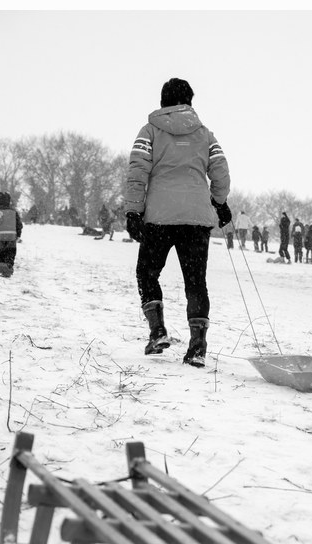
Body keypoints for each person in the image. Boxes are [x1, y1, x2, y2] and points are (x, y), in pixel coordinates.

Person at [125, 77, 231, 368]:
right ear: (189, 102)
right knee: (196, 283)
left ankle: (157, 331)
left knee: (147, 273)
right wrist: (219, 202)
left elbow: (137, 171)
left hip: (159, 219)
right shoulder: (205, 135)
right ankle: (197, 346)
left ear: (162, 102)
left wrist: (133, 211)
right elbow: (220, 172)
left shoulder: (149, 132)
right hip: (196, 220)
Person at [0, 191, 23, 269]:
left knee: (1, 252)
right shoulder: (14, 211)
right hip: (12, 236)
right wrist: (19, 234)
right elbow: (19, 224)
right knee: (11, 252)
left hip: (0, 236)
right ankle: (9, 266)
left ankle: (1, 266)